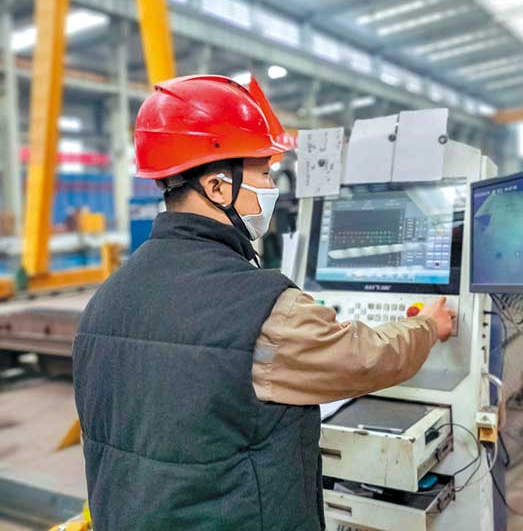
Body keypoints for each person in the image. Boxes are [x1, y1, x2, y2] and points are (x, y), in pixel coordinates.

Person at [72, 74, 455, 530]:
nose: (272, 187)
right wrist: (428, 326)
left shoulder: (105, 299)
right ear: (218, 187)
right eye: (264, 174)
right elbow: (366, 357)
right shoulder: (262, 308)